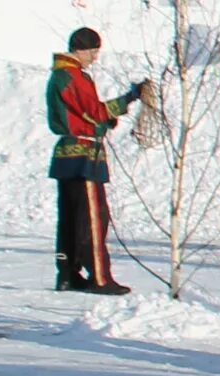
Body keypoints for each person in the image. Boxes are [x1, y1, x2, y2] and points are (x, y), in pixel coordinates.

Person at [47, 28, 148, 295]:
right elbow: (95, 112)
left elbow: (82, 114)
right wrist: (129, 98)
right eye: (92, 51)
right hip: (84, 155)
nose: (94, 57)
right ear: (79, 49)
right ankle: (100, 278)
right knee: (93, 218)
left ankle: (68, 274)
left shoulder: (58, 76)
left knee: (69, 217)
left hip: (67, 154)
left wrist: (104, 121)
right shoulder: (73, 76)